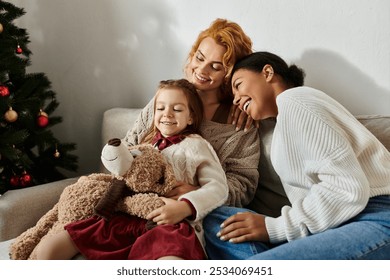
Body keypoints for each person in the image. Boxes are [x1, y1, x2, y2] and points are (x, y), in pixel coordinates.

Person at [203, 51, 390, 260]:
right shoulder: (283, 123)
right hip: (333, 225)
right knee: (212, 218)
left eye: (238, 85)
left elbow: (348, 188)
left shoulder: (294, 100)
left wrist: (274, 227)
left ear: (267, 72)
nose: (236, 100)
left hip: (375, 217)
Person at [35, 79, 228, 260]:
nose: (167, 114)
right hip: (130, 215)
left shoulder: (196, 145)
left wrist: (186, 206)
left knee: (169, 257)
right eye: (160, 108)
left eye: (177, 109)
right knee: (50, 248)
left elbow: (218, 188)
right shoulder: (144, 145)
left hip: (167, 222)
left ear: (191, 117)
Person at [125, 18, 260, 208]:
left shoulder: (239, 123)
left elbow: (244, 187)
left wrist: (198, 193)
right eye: (199, 57)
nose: (202, 70)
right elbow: (128, 146)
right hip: (138, 200)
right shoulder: (166, 98)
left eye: (215, 67)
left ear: (229, 74)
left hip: (193, 214)